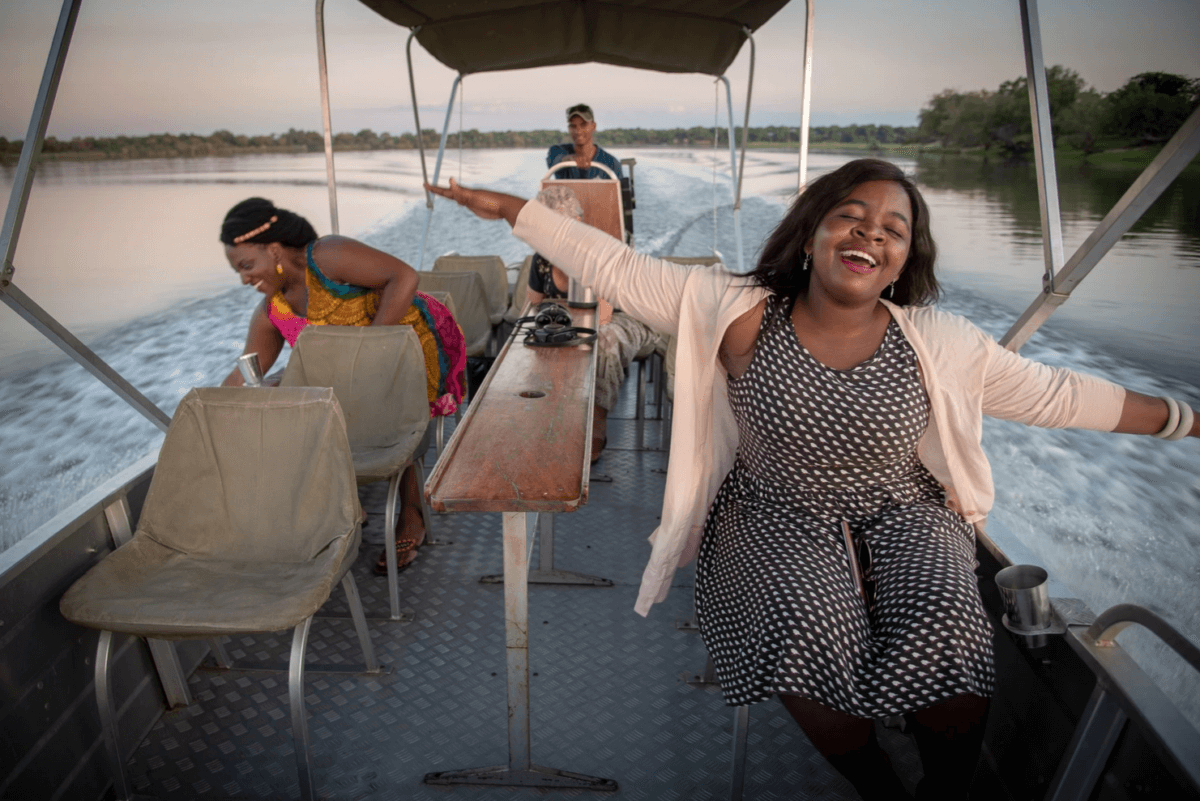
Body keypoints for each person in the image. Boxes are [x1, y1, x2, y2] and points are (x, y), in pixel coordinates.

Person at [426, 161, 1197, 800]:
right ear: (811, 233)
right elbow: (617, 267)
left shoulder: (939, 340)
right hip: (773, 509)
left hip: (908, 510)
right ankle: (880, 787)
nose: (870, 233)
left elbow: (1059, 395)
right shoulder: (738, 312)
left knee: (951, 633)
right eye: (850, 217)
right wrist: (512, 209)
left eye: (892, 229)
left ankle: (947, 788)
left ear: (905, 259)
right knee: (803, 632)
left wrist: (1187, 420)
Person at [219, 197, 467, 576]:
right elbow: (243, 374)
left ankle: (412, 515)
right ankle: (346, 505)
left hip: (406, 347)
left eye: (246, 266)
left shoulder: (327, 256)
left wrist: (368, 352)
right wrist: (210, 414)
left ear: (274, 250)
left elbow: (403, 277)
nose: (244, 279)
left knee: (397, 421)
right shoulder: (272, 312)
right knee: (284, 403)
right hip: (349, 381)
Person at [528, 185, 662, 462]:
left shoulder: (600, 252)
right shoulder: (542, 258)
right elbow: (533, 302)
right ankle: (549, 420)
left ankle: (595, 428)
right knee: (535, 342)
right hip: (574, 317)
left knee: (603, 342)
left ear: (576, 222)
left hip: (624, 317)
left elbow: (604, 314)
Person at [546, 103, 624, 180]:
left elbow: (619, 187)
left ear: (593, 126)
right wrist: (569, 159)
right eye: (573, 126)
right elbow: (555, 161)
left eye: (583, 125)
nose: (578, 131)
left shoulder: (611, 163)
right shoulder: (556, 151)